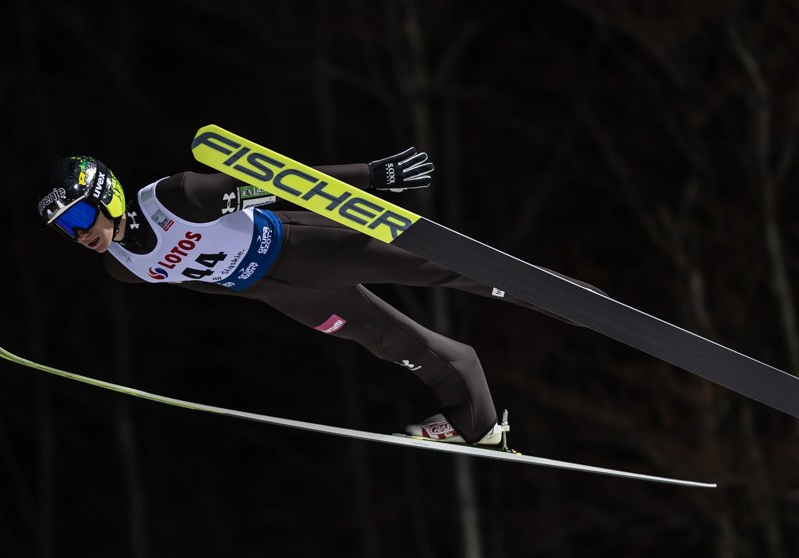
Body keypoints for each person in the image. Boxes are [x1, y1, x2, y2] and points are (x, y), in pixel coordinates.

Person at [37, 149, 587, 445]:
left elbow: (277, 182)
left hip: (303, 248)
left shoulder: (177, 197)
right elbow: (200, 279)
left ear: (105, 194)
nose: (80, 234)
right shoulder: (123, 269)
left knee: (437, 267)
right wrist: (254, 289)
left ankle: (575, 300)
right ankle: (478, 423)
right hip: (280, 294)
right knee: (393, 344)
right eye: (66, 230)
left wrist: (371, 176)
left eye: (80, 217)